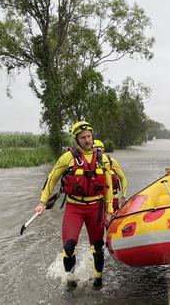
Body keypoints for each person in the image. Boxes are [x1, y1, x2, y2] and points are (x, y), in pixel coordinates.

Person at [33, 121, 113, 289]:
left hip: (96, 208)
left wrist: (109, 211)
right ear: (77, 139)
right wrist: (42, 202)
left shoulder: (102, 158)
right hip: (74, 207)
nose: (87, 140)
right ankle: (70, 281)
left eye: (89, 136)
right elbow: (52, 178)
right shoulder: (68, 157)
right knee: (69, 247)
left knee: (98, 247)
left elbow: (109, 187)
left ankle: (98, 280)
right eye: (83, 137)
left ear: (92, 136)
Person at [93, 139, 128, 211]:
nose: (98, 154)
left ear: (103, 151)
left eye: (99, 151)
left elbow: (123, 178)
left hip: (113, 199)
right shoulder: (88, 164)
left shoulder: (111, 162)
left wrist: (123, 196)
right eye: (95, 151)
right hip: (96, 201)